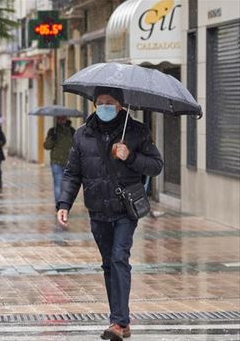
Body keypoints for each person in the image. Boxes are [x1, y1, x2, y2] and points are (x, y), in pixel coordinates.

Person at [56, 86, 163, 341]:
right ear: (94, 105)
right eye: (100, 102)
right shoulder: (83, 134)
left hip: (125, 209)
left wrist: (130, 156)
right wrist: (64, 204)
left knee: (118, 258)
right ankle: (121, 321)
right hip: (97, 209)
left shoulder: (136, 132)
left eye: (110, 102)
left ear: (120, 106)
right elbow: (72, 172)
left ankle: (118, 322)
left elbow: (156, 166)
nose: (104, 107)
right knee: (108, 264)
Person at [43, 115, 75, 208]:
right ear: (56, 119)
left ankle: (65, 204)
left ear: (67, 118)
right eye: (59, 118)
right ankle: (59, 205)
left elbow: (77, 145)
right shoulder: (53, 131)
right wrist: (52, 138)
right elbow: (46, 146)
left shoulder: (72, 131)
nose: (61, 120)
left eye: (63, 118)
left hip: (69, 162)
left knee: (67, 185)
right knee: (58, 183)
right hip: (56, 162)